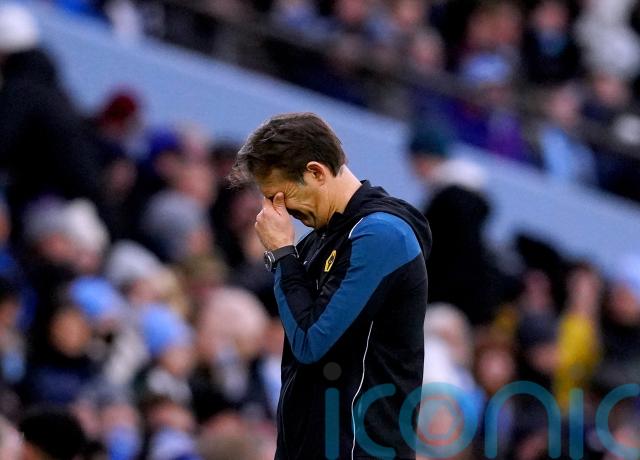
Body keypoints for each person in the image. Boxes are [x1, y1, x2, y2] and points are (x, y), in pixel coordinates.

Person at [230, 113, 431, 459]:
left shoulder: (381, 236)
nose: (278, 211)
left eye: (281, 196)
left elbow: (312, 342)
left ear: (316, 172)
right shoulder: (321, 240)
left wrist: (282, 255)